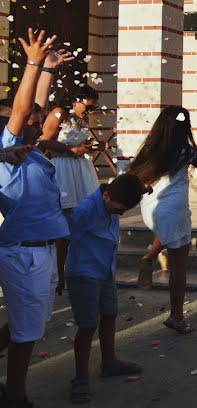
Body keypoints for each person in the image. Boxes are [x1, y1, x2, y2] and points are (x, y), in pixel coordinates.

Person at [0, 30, 73, 408]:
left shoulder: (31, 151)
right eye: (33, 119)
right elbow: (23, 110)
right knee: (27, 332)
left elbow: (36, 107)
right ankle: (15, 394)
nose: (40, 121)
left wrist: (48, 68)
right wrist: (31, 64)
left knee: (29, 326)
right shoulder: (8, 149)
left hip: (42, 253)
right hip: (24, 253)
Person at [128, 107, 197, 333]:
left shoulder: (150, 149)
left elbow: (133, 174)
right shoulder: (187, 151)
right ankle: (176, 317)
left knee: (166, 232)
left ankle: (151, 256)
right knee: (178, 267)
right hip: (174, 209)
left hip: (152, 208)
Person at [65, 173, 146, 404]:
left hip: (105, 270)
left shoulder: (113, 199)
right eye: (119, 209)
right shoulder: (85, 212)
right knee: (88, 324)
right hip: (83, 273)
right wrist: (59, 275)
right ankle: (80, 378)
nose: (121, 214)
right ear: (106, 196)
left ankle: (109, 362)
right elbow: (63, 239)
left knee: (109, 314)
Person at [40, 85, 101, 212]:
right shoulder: (59, 113)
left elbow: (83, 141)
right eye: (88, 107)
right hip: (63, 166)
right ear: (75, 101)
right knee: (66, 207)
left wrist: (94, 146)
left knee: (86, 207)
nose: (89, 111)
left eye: (93, 108)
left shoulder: (84, 118)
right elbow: (45, 140)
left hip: (83, 167)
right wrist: (70, 150)